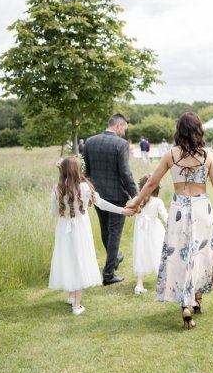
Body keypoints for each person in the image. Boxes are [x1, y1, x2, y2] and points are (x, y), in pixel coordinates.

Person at [127, 112, 213, 330]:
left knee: (181, 254)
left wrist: (136, 202)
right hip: (201, 208)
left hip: (179, 208)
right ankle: (197, 299)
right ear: (199, 130)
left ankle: (185, 304)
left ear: (178, 131)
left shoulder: (170, 155)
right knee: (200, 253)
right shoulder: (208, 155)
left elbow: (152, 183)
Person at [49, 157, 134, 315]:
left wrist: (66, 209)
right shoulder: (84, 187)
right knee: (79, 260)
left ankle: (72, 296)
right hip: (80, 228)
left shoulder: (56, 188)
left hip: (63, 229)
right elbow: (102, 203)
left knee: (68, 259)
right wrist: (123, 210)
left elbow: (54, 213)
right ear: (77, 169)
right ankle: (76, 305)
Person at [83, 113, 138, 286]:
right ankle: (108, 274)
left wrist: (88, 192)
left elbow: (87, 172)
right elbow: (125, 172)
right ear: (119, 126)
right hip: (116, 196)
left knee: (105, 231)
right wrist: (135, 196)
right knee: (114, 234)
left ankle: (114, 259)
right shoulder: (120, 144)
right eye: (124, 129)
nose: (124, 132)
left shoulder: (89, 142)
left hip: (96, 194)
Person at [132, 174, 168, 295]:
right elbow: (165, 216)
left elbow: (130, 211)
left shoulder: (136, 200)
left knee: (140, 253)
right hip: (155, 230)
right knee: (158, 252)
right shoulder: (158, 201)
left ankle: (139, 283)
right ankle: (163, 281)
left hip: (141, 230)